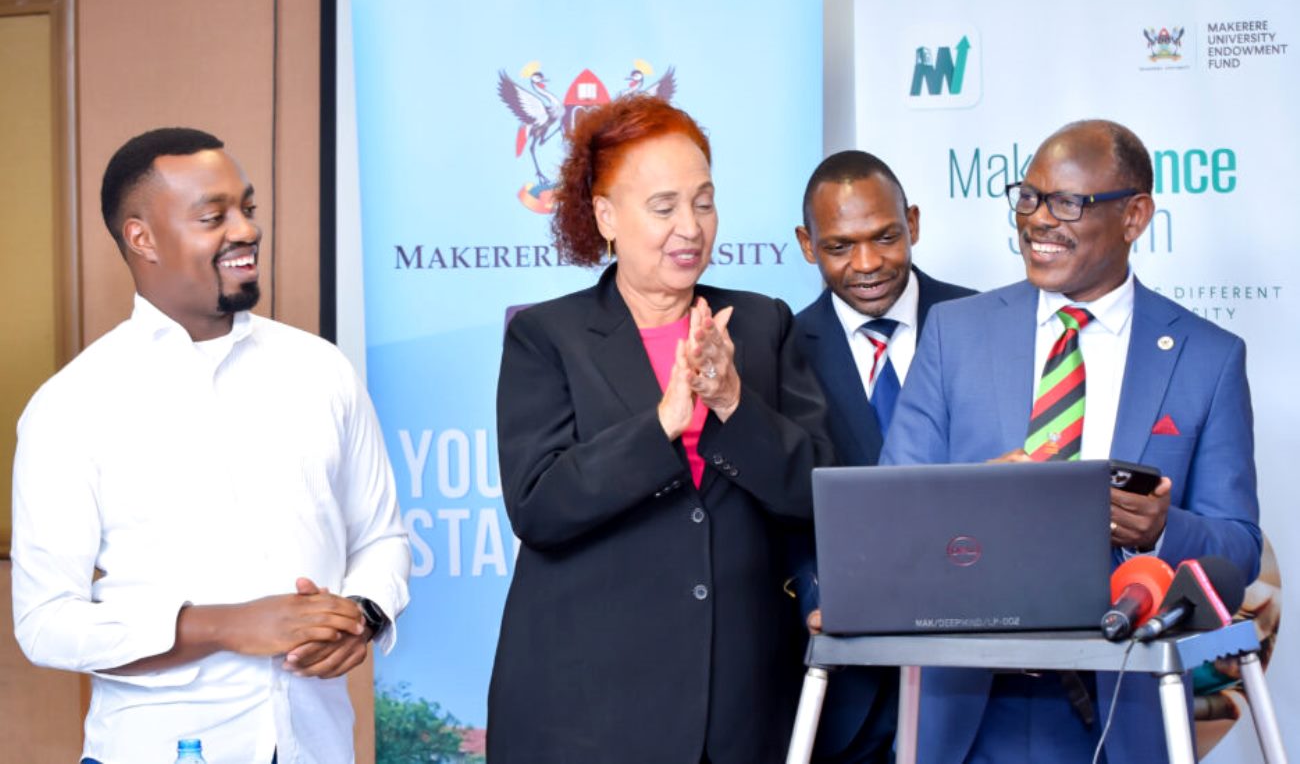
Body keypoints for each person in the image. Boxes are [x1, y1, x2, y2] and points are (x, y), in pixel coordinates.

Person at [10, 128, 411, 764]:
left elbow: (382, 537)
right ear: (141, 238)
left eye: (247, 209)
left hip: (317, 744)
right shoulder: (72, 406)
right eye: (212, 216)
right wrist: (225, 625)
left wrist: (363, 613)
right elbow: (45, 623)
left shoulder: (321, 370)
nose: (245, 231)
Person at [881, 119, 1260, 764]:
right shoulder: (954, 333)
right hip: (966, 707)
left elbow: (1240, 548)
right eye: (1028, 197)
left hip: (1123, 705)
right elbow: (891, 515)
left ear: (1135, 216)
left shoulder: (1207, 358)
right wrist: (978, 500)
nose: (1038, 221)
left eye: (1068, 203)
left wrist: (1161, 531)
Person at [488, 94, 834, 764]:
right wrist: (663, 424)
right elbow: (538, 504)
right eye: (665, 206)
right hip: (589, 710)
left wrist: (734, 403)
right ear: (607, 217)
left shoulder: (762, 325)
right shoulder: (547, 337)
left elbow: (818, 493)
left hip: (744, 708)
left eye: (704, 202)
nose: (691, 226)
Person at [787, 150, 975, 762]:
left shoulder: (985, 326)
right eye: (839, 246)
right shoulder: (774, 348)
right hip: (845, 691)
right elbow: (776, 505)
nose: (867, 265)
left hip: (979, 676)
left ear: (913, 223)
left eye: (886, 237)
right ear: (807, 246)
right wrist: (817, 597)